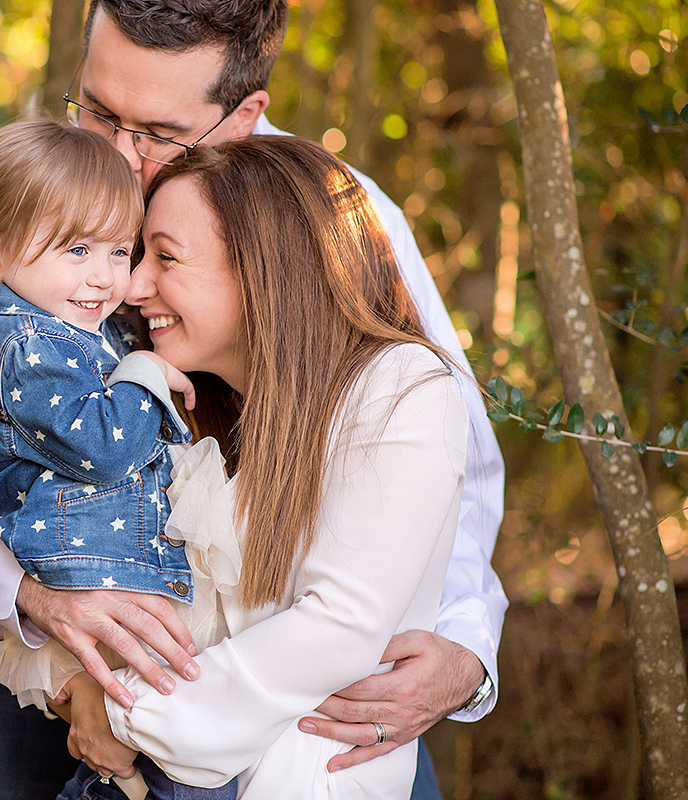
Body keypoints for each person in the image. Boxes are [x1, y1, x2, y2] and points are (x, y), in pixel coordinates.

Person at [0, 2, 506, 797]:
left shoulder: (338, 217)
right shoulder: (9, 212)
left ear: (245, 113)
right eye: (98, 111)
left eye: (154, 133)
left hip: (277, 655)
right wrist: (41, 607)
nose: (118, 154)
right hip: (34, 636)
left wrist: (466, 649)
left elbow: (438, 454)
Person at [53, 134, 470, 800]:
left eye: (166, 258)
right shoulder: (196, 407)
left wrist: (126, 714)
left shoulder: (402, 388)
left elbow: (338, 624)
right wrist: (82, 692)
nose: (132, 286)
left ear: (265, 268)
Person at [0, 118, 238, 800]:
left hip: (118, 563)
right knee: (163, 747)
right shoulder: (22, 344)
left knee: (167, 743)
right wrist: (144, 377)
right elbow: (100, 448)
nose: (105, 276)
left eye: (120, 252)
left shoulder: (68, 319)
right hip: (83, 567)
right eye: (79, 250)